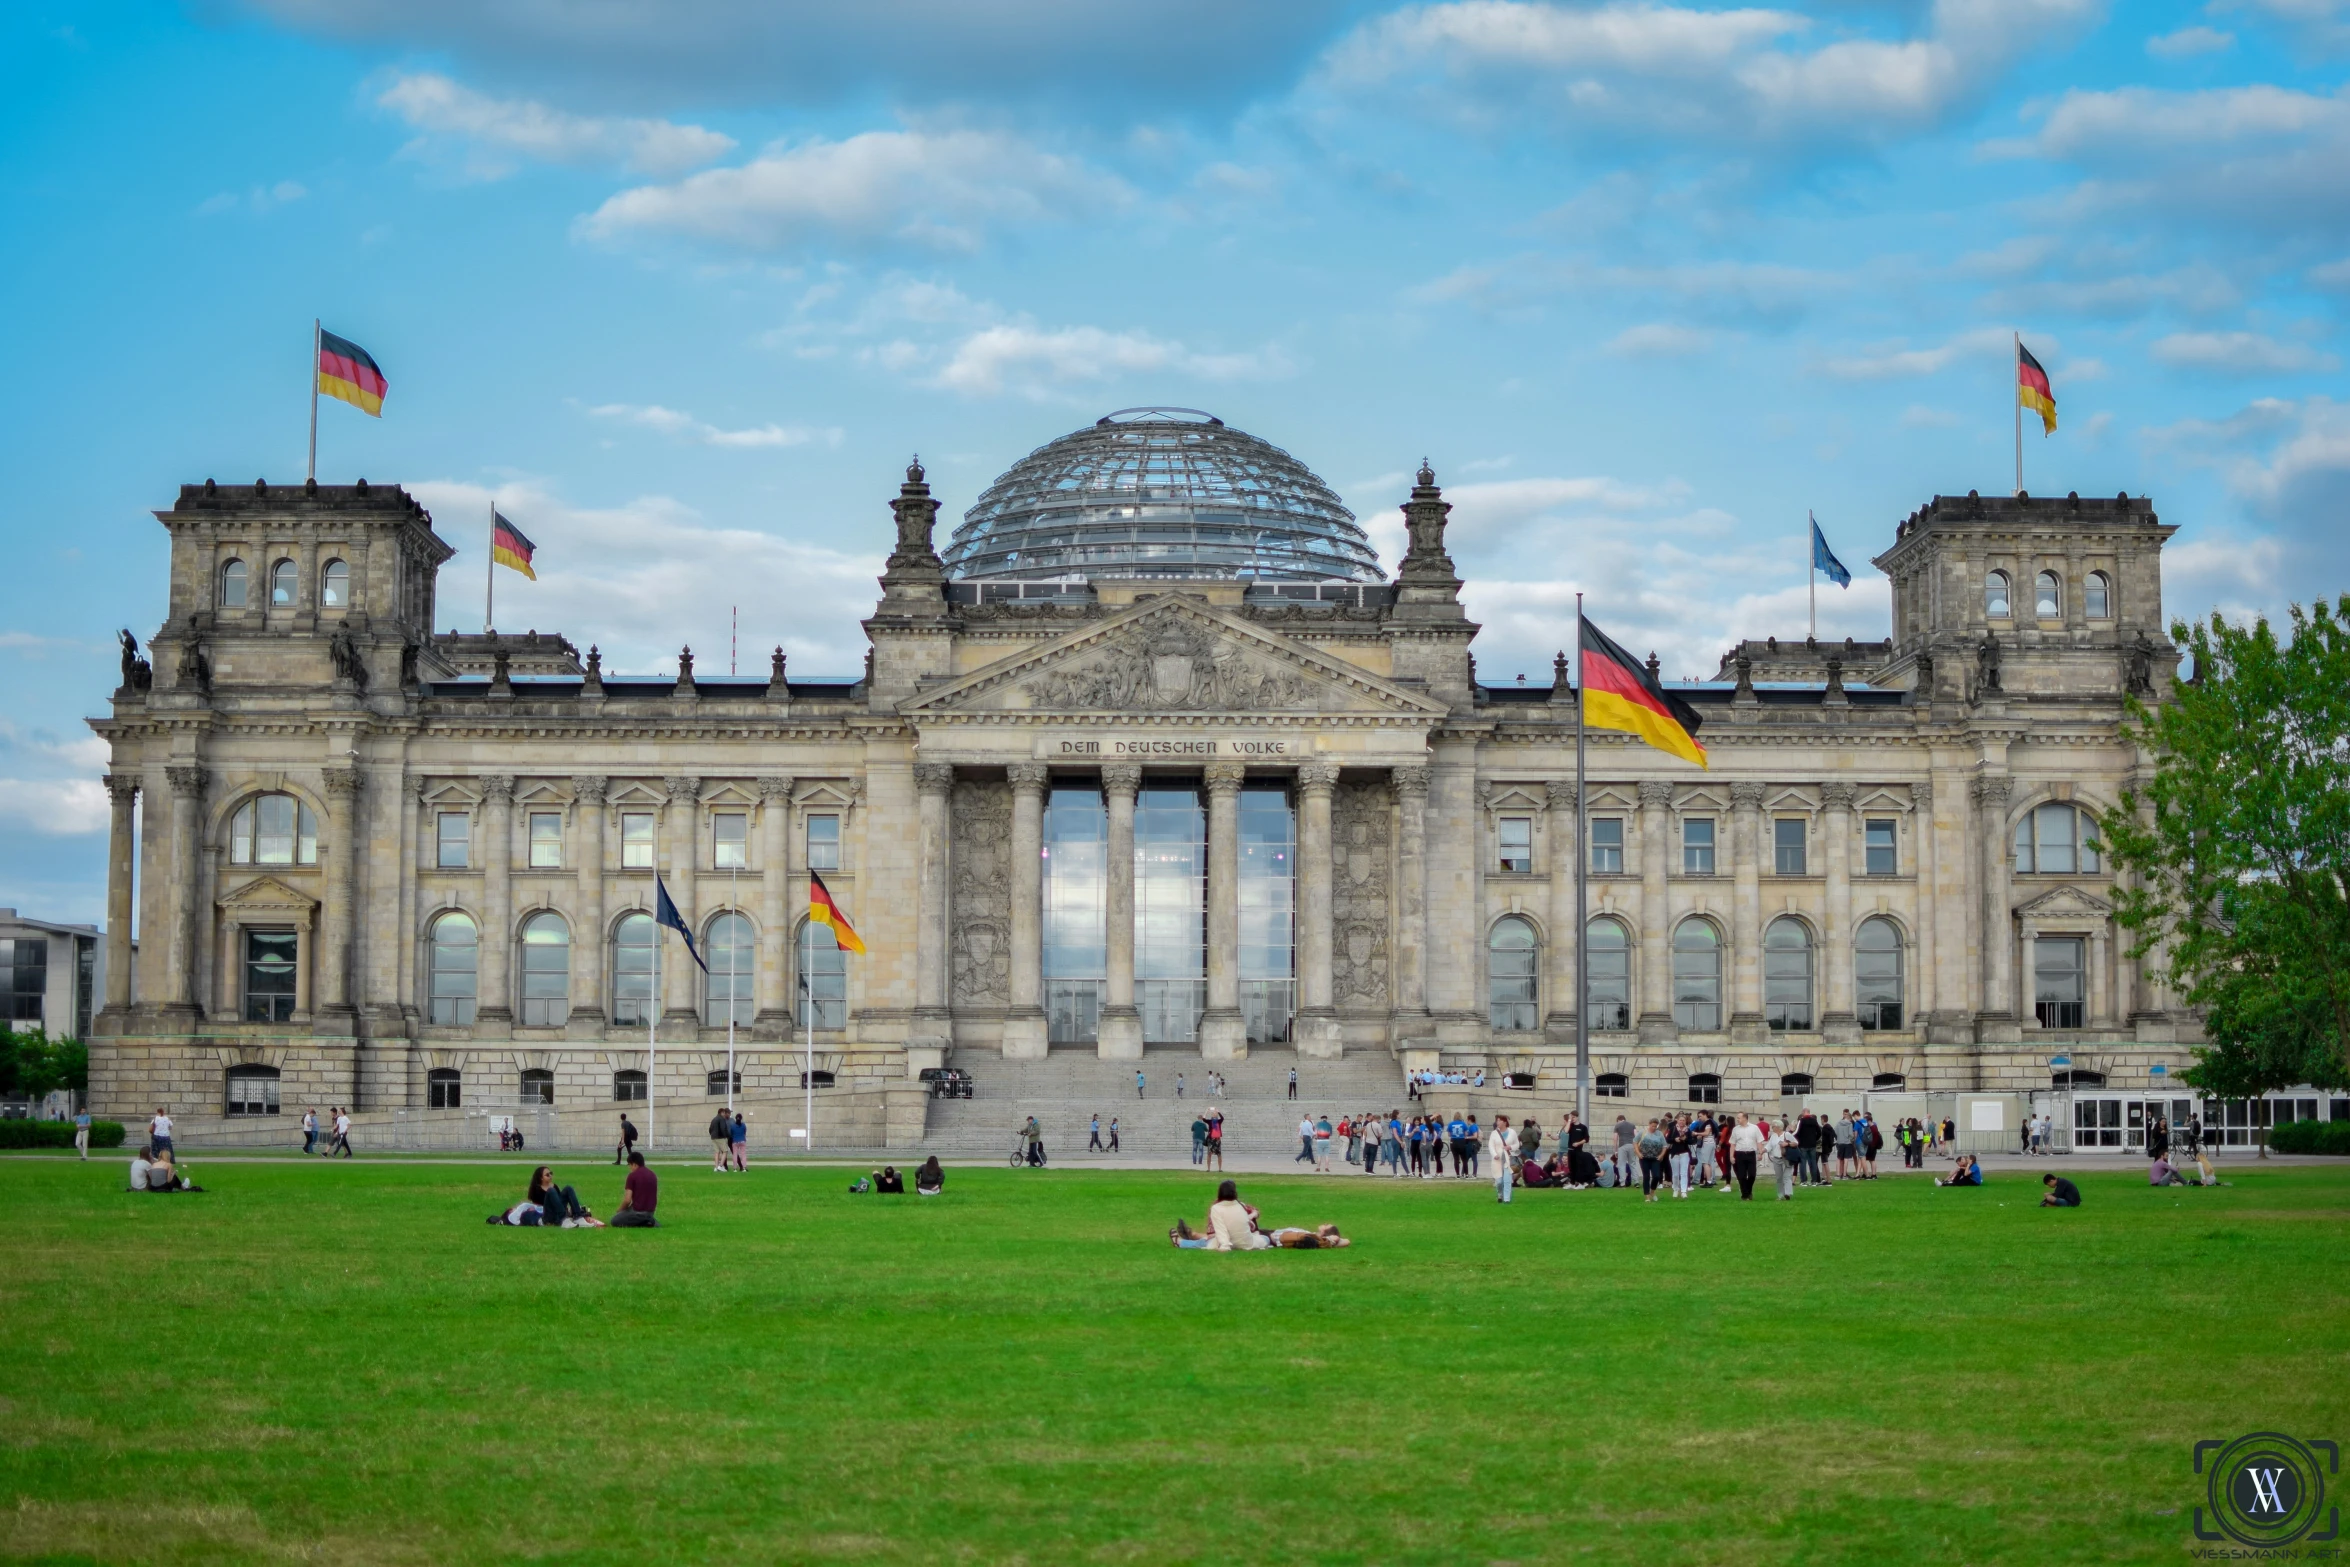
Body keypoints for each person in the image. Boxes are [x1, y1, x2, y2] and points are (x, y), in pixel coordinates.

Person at [527, 1166, 600, 1227]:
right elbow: (537, 1207)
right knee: (551, 1191)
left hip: (558, 1212)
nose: (550, 1176)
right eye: (547, 1175)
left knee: (568, 1188)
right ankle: (564, 1219)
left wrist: (568, 1209)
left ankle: (578, 1217)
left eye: (551, 1173)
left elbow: (558, 1201)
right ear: (541, 1178)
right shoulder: (537, 1189)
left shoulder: (554, 1186)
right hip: (547, 1215)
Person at [1207, 1180, 1268, 1251]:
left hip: (1226, 1241)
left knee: (1204, 1242)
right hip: (1247, 1243)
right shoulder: (1240, 1205)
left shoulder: (1216, 1208)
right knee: (1265, 1238)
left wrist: (1225, 1245)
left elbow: (1221, 1229)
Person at [614, 1150, 659, 1226]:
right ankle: (647, 1220)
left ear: (634, 1164)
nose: (629, 1167)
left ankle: (645, 1220)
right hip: (651, 1211)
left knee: (615, 1220)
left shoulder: (632, 1176)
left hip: (637, 1211)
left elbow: (627, 1200)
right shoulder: (652, 1175)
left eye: (629, 1165)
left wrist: (619, 1210)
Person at [1728, 1112, 1764, 1200]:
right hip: (1740, 1154)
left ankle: (1748, 1190)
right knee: (1741, 1175)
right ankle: (1744, 1195)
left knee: (1752, 1174)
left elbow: (1759, 1141)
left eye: (1739, 1118)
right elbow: (1733, 1144)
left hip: (1751, 1153)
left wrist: (1760, 1152)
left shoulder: (1754, 1128)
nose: (1737, 1119)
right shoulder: (1736, 1129)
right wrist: (1731, 1156)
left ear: (1745, 1118)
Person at [1489, 1115, 1517, 1204]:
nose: (1497, 1122)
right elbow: (1491, 1146)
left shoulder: (1512, 1132)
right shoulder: (1494, 1133)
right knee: (1499, 1181)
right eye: (1497, 1121)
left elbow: (1517, 1144)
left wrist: (1510, 1147)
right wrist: (1494, 1154)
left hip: (1508, 1159)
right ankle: (1500, 1194)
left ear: (1505, 1122)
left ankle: (1507, 1199)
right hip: (1497, 1160)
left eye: (1499, 1121)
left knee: (1507, 1180)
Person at [1638, 1118, 1666, 1201]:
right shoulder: (1643, 1132)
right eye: (1652, 1126)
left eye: (1655, 1126)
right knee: (1646, 1176)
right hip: (1644, 1158)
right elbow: (1635, 1142)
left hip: (1655, 1158)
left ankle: (1652, 1191)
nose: (1654, 1128)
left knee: (1656, 1176)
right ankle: (1647, 1196)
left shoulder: (1659, 1134)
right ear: (1649, 1124)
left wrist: (1661, 1155)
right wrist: (1638, 1153)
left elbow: (1665, 1146)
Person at [709, 1108, 733, 1172]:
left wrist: (712, 1135)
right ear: (722, 1112)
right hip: (720, 1137)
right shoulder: (721, 1119)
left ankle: (716, 1167)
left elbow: (710, 1129)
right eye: (724, 1113)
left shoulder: (714, 1119)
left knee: (717, 1152)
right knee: (725, 1151)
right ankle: (721, 1166)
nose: (724, 1114)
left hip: (713, 1137)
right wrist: (726, 1136)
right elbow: (723, 1128)